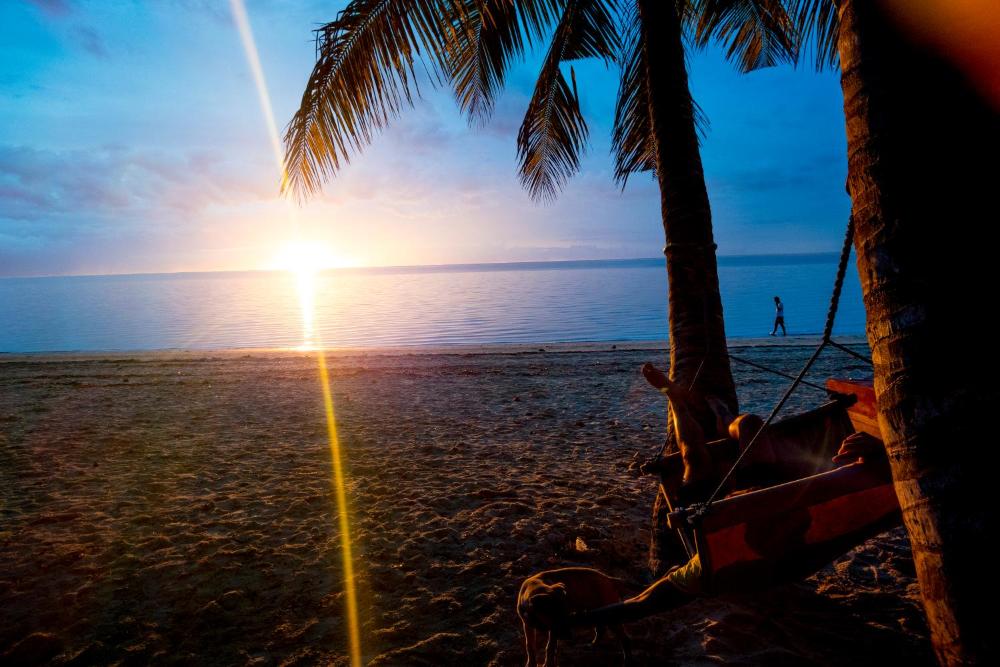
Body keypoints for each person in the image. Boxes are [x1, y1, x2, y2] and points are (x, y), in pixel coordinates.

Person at [565, 365, 886, 629]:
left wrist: (579, 621)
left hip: (743, 502)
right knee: (746, 428)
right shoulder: (810, 522)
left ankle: (681, 400)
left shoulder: (708, 567)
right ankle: (720, 418)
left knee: (698, 454)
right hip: (777, 495)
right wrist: (868, 457)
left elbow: (642, 603)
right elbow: (855, 491)